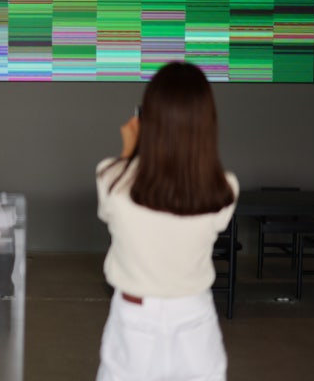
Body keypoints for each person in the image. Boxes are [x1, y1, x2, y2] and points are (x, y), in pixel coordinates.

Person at [95, 61, 239, 381]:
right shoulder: (225, 187)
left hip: (133, 318)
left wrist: (130, 153)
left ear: (149, 119)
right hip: (195, 317)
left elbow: (112, 210)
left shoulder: (111, 177)